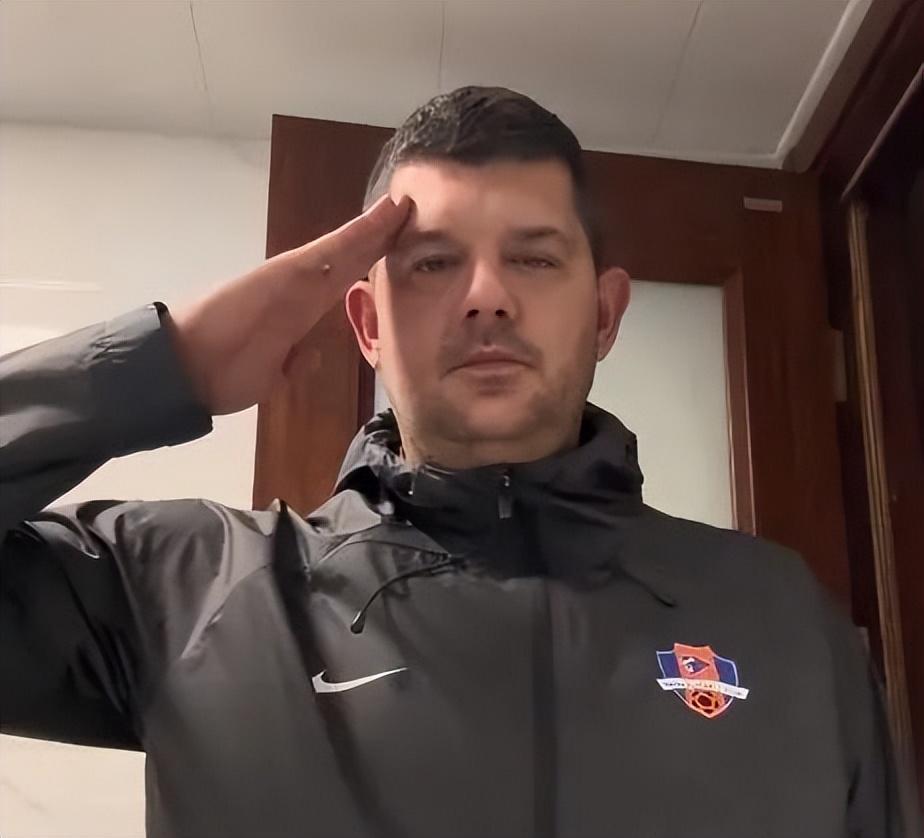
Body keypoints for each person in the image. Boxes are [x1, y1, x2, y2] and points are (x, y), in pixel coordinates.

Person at [0, 86, 908, 838]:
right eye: (433, 264)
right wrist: (165, 366)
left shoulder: (782, 620)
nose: (486, 298)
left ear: (604, 314)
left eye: (534, 259)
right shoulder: (187, 590)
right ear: (367, 324)